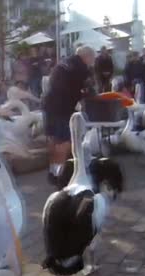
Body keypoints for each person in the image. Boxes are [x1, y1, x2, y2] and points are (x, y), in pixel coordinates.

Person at [43, 46, 95, 184]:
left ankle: (53, 171)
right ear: (87, 57)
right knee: (66, 140)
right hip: (62, 107)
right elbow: (87, 90)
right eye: (92, 59)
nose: (92, 62)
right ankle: (59, 175)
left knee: (53, 138)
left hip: (48, 103)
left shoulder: (64, 62)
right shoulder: (81, 67)